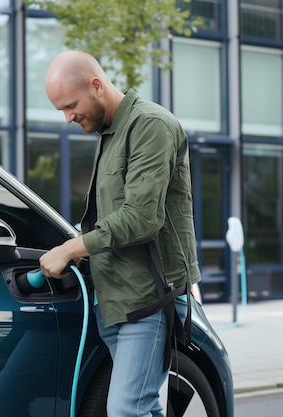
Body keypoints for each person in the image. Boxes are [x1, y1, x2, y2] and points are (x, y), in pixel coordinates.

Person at [39, 51, 202, 417]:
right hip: (114, 300)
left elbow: (142, 218)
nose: (68, 118)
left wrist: (72, 247)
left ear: (96, 85)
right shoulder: (110, 134)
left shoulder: (150, 125)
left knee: (129, 408)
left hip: (149, 299)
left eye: (70, 105)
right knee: (140, 408)